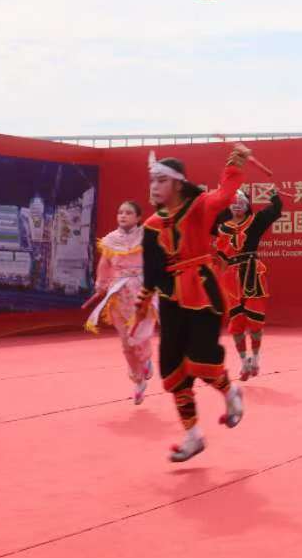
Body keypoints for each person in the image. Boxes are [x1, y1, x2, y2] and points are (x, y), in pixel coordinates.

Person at [143, 147, 250, 463]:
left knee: (201, 358)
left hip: (202, 291)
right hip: (171, 301)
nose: (155, 186)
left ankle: (230, 392)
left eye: (161, 180)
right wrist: (141, 302)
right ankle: (193, 436)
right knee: (174, 369)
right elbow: (152, 271)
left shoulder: (199, 206)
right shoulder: (151, 225)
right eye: (152, 180)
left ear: (178, 183)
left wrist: (235, 163)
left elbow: (225, 194)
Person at [87, 200, 156, 404]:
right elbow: (104, 265)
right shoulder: (110, 240)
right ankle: (138, 380)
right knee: (126, 343)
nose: (123, 216)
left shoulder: (147, 236)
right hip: (118, 295)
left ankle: (145, 360)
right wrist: (101, 285)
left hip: (141, 293)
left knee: (139, 337)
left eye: (128, 213)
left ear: (138, 217)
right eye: (120, 212)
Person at [216, 184, 286, 380]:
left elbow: (275, 210)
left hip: (252, 274)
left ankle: (255, 358)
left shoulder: (255, 221)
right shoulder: (222, 228)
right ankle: (244, 362)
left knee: (255, 321)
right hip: (231, 278)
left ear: (247, 205)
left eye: (241, 202)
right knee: (236, 322)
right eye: (233, 202)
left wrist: (274, 195)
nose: (237, 205)